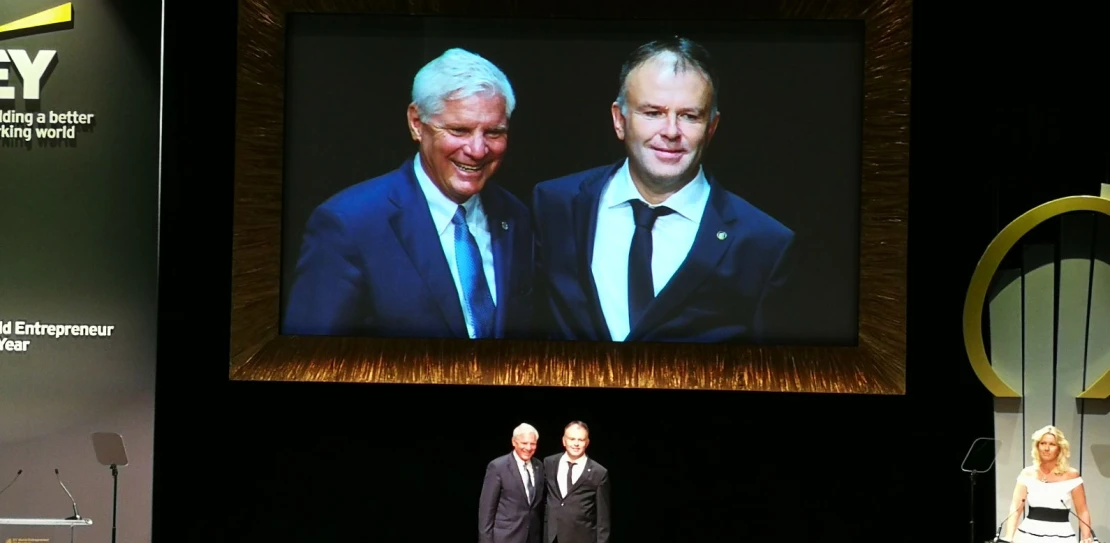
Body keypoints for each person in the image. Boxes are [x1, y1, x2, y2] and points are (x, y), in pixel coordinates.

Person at [531, 36, 795, 344]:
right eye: (653, 112)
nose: (671, 131)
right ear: (620, 120)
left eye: (689, 116)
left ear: (711, 127)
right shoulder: (555, 204)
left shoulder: (763, 244)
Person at [282, 48, 536, 340]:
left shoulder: (516, 216)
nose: (477, 150)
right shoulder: (350, 224)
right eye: (459, 130)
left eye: (494, 132)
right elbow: (310, 359)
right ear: (417, 123)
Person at [543, 421, 611, 543]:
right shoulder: (549, 463)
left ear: (587, 443)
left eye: (580, 440)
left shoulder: (599, 472)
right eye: (572, 439)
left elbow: (603, 512)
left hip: (586, 539)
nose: (576, 443)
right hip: (556, 536)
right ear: (564, 441)